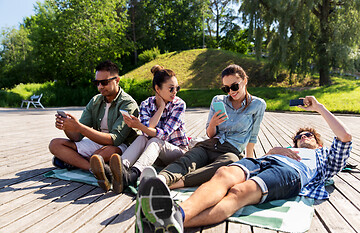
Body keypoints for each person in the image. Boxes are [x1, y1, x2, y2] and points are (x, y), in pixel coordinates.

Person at [137, 96, 352, 233]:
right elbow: (260, 157)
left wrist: (318, 108)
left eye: (309, 135)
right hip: (264, 161)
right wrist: (273, 151)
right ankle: (172, 218)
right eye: (299, 136)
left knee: (240, 191)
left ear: (319, 142)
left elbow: (345, 137)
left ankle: (175, 221)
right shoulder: (285, 149)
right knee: (224, 173)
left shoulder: (325, 157)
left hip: (291, 174)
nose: (303, 137)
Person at [156, 64, 266, 190]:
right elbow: (210, 134)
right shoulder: (218, 100)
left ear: (245, 81)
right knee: (187, 160)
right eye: (226, 88)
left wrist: (250, 162)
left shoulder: (258, 104)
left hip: (231, 151)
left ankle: (177, 184)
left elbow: (253, 136)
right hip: (210, 145)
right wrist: (213, 123)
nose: (231, 91)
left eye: (235, 86)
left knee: (229, 163)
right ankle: (161, 179)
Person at [90, 65, 189, 194]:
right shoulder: (146, 104)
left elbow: (163, 135)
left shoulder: (179, 104)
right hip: (153, 155)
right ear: (157, 89)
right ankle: (120, 169)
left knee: (155, 140)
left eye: (177, 88)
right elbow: (147, 130)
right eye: (171, 89)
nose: (175, 92)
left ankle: (131, 175)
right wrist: (160, 109)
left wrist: (159, 109)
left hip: (176, 152)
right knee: (142, 137)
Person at [48, 60, 139, 173]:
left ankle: (78, 161)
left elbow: (115, 140)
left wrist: (79, 127)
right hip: (97, 142)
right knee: (55, 144)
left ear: (117, 80)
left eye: (104, 82)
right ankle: (92, 168)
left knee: (100, 155)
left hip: (121, 145)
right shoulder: (95, 101)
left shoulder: (128, 104)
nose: (100, 86)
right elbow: (76, 137)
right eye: (97, 83)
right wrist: (67, 127)